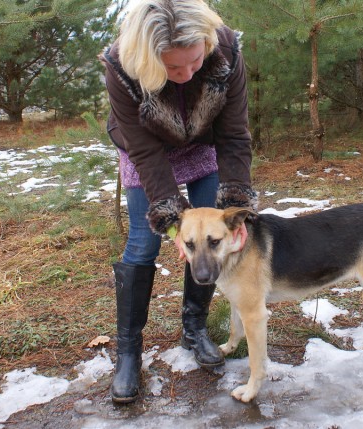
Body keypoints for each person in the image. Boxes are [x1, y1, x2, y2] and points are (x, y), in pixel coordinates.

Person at [100, 0, 257, 404]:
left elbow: (235, 135)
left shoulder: (226, 49)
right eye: (172, 68)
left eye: (194, 61)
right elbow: (146, 154)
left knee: (209, 237)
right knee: (144, 241)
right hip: (147, 149)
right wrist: (172, 221)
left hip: (201, 144)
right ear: (149, 58)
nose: (187, 74)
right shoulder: (123, 65)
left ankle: (195, 328)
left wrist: (236, 202)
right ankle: (129, 353)